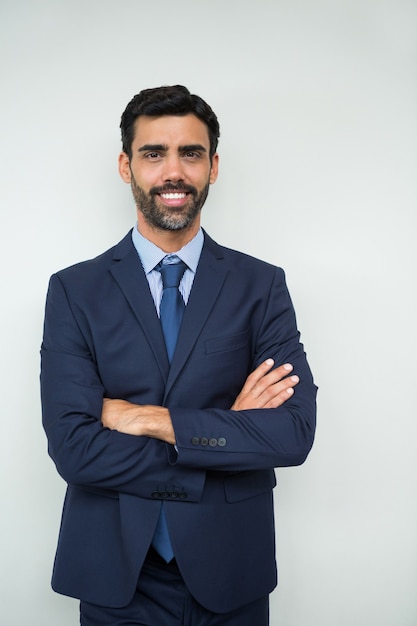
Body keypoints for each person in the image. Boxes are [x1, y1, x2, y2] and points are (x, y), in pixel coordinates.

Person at [41, 85, 317, 626]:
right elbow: (74, 449)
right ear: (126, 166)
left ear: (213, 166)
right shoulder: (75, 291)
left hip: (232, 571)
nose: (174, 172)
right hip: (117, 575)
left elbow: (292, 434)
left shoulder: (261, 286)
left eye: (191, 153)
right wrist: (225, 433)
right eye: (153, 153)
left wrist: (147, 419)